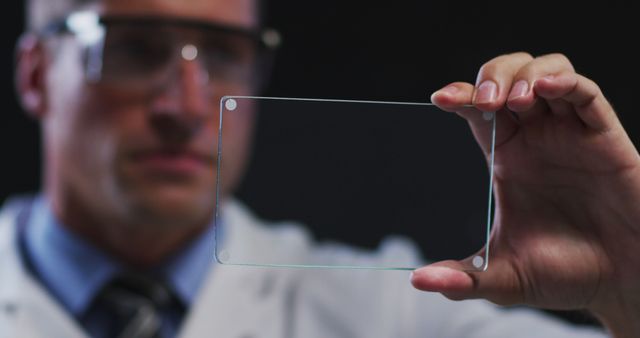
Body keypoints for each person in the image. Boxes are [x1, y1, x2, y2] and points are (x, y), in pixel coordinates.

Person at [0, 0, 638, 337]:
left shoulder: (398, 313)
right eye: (136, 50)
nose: (188, 106)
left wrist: (625, 287)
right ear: (34, 75)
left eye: (225, 54)